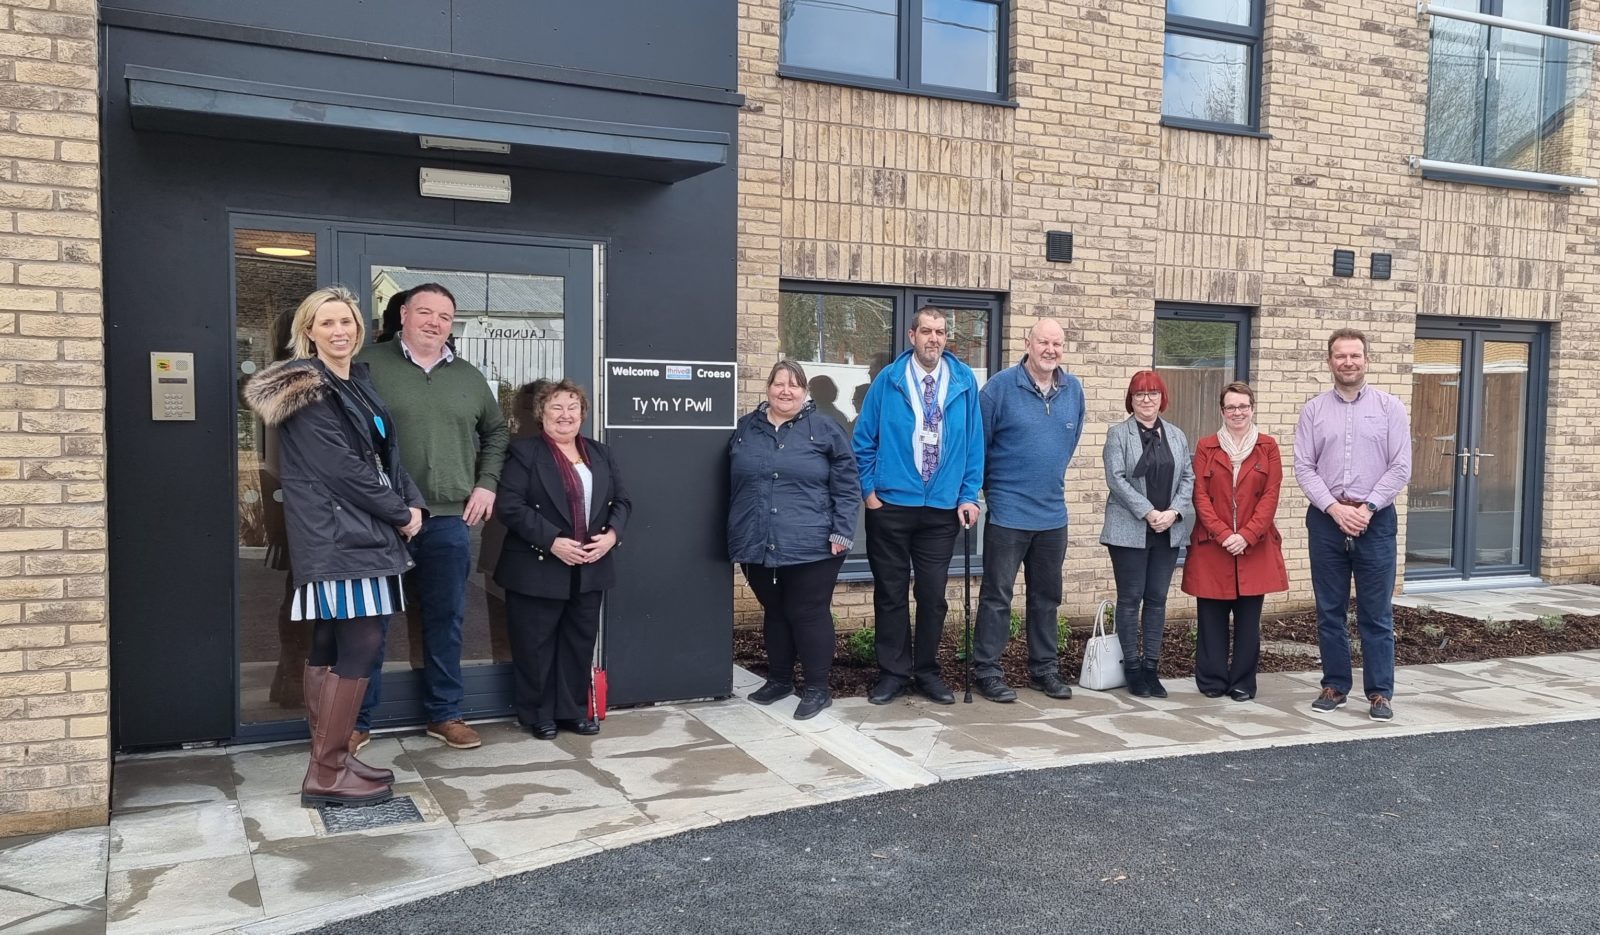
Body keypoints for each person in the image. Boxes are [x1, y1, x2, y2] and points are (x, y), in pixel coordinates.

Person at [244, 286, 425, 808]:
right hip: (339, 533)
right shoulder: (307, 388)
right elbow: (340, 469)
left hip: (358, 531)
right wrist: (400, 513)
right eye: (327, 323)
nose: (339, 331)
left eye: (346, 321)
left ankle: (334, 760)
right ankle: (326, 771)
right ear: (308, 332)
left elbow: (387, 458)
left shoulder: (355, 383)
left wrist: (412, 505)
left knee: (330, 642)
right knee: (361, 641)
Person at [355, 283, 509, 750]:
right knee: (371, 623)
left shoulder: (468, 376)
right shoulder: (367, 366)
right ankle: (357, 720)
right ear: (403, 314)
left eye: (444, 316)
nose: (434, 322)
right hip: (383, 518)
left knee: (446, 619)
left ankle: (444, 714)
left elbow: (497, 433)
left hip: (447, 519)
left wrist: (486, 483)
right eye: (425, 312)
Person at [852, 307, 984, 706]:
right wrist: (870, 491)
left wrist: (968, 494)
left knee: (933, 595)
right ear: (912, 336)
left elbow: (974, 445)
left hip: (941, 509)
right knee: (890, 594)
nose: (934, 338)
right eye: (926, 331)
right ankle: (893, 673)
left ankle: (927, 671)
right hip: (891, 505)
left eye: (940, 332)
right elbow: (863, 440)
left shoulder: (963, 382)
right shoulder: (888, 381)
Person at [493, 380, 630, 738]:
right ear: (541, 414)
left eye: (573, 407)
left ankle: (571, 711)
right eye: (556, 407)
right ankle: (539, 714)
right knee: (535, 645)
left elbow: (622, 502)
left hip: (590, 566)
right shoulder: (525, 453)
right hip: (538, 565)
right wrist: (553, 541)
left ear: (583, 414)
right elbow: (510, 506)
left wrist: (611, 536)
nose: (565, 415)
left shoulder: (600, 453)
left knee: (578, 642)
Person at [729, 361, 861, 720]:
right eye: (778, 383)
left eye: (794, 385)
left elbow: (848, 487)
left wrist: (842, 532)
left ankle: (818, 688)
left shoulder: (825, 429)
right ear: (768, 387)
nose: (785, 390)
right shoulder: (745, 429)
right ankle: (780, 679)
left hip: (815, 543)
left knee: (808, 612)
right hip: (757, 540)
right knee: (775, 612)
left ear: (804, 392)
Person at [1294, 328, 1412, 721]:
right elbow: (1304, 467)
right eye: (1340, 356)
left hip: (1375, 521)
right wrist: (1333, 508)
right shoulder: (1313, 410)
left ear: (1366, 360)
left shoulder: (1390, 408)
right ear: (1329, 361)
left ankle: (1380, 693)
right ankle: (1334, 685)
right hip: (1327, 520)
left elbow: (1400, 466)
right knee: (1330, 609)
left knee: (1376, 613)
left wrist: (1368, 507)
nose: (1348, 362)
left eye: (1355, 356)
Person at [971, 319, 1085, 703]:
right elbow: (978, 448)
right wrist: (990, 493)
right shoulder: (999, 389)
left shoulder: (1074, 391)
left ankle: (1044, 670)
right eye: (1043, 342)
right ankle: (987, 670)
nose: (1050, 349)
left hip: (1053, 515)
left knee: (1047, 597)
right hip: (1007, 514)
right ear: (1027, 343)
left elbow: (1067, 445)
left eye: (1057, 343)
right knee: (997, 597)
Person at [1181, 382, 1288, 701]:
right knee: (1210, 617)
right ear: (1222, 411)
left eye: (1243, 406)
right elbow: (1199, 495)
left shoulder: (1268, 446)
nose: (1237, 412)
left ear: (1252, 408)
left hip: (1255, 546)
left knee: (1247, 621)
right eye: (1231, 407)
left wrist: (1248, 535)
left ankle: (1243, 682)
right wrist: (1225, 534)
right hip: (1213, 546)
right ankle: (1212, 680)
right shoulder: (1206, 447)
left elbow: (1271, 495)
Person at [1100, 370, 1193, 699]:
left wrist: (1173, 513)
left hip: (1167, 531)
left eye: (1153, 394)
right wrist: (1148, 511)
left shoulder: (1177, 436)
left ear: (1162, 398)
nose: (1147, 400)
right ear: (1131, 399)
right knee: (1130, 600)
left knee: (1156, 600)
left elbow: (1188, 478)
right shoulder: (1118, 434)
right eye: (1140, 395)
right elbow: (1117, 479)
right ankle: (1134, 669)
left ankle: (1152, 668)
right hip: (1130, 530)